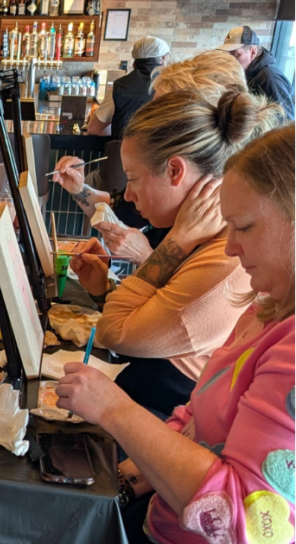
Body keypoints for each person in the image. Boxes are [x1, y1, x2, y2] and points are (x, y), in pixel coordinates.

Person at [57, 124, 295, 544]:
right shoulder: (267, 306)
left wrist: (115, 411)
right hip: (158, 513)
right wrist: (125, 477)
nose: (230, 248)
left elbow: (246, 522)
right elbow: (197, 418)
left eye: (243, 227)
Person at [70, 89, 282, 418]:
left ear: (174, 171)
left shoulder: (223, 260)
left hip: (162, 419)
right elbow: (149, 318)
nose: (128, 194)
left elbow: (115, 332)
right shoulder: (202, 234)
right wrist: (104, 290)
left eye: (133, 179)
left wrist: (177, 240)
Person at [53, 50, 250, 264]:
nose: (150, 118)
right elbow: (120, 207)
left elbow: (177, 294)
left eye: (161, 112)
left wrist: (147, 258)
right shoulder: (174, 198)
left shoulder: (226, 240)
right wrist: (79, 189)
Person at [87, 36, 170, 138]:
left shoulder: (120, 86)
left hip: (123, 152)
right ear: (163, 59)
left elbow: (94, 129)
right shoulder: (173, 85)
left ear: (134, 63)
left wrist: (119, 132)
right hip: (162, 153)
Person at [218, 25, 295, 120]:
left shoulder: (270, 79)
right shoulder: (244, 72)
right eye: (228, 55)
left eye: (235, 55)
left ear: (253, 52)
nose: (230, 60)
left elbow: (286, 122)